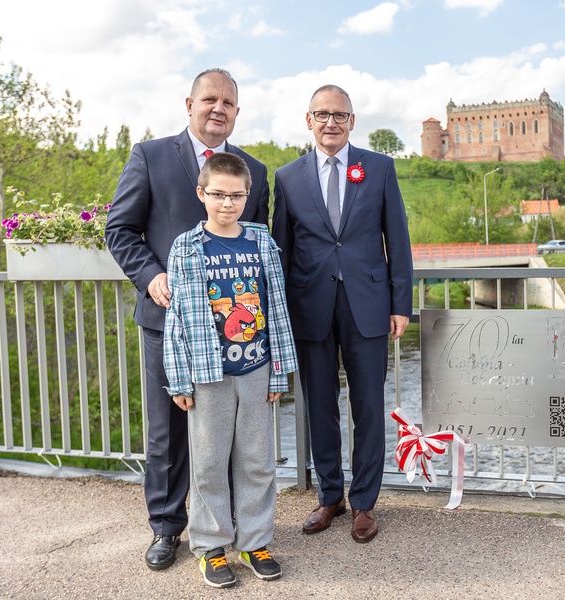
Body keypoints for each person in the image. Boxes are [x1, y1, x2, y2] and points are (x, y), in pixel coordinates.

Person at [105, 68, 270, 571]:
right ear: (189, 104)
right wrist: (151, 276)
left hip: (235, 333)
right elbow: (121, 229)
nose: (218, 108)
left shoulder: (254, 172)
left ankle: (237, 530)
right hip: (167, 322)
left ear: (237, 113)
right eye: (209, 100)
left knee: (238, 437)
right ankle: (166, 527)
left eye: (228, 102)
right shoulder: (151, 156)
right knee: (169, 433)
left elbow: (257, 243)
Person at [271, 84, 413, 543]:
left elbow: (398, 239)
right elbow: (282, 250)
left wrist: (400, 304)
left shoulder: (379, 168)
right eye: (322, 114)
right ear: (307, 120)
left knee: (368, 406)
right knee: (319, 404)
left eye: (339, 114)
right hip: (310, 307)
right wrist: (284, 313)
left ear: (352, 121)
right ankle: (329, 495)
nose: (330, 122)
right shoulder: (288, 177)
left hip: (369, 306)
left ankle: (365, 502)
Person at [164, 153, 297, 588]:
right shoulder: (186, 246)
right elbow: (177, 317)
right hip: (207, 374)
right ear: (202, 194)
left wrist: (279, 371)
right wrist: (179, 378)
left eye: (236, 195)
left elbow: (276, 308)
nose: (227, 203)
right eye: (218, 194)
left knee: (257, 461)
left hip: (256, 368)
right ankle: (211, 546)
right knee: (208, 463)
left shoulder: (261, 242)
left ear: (249, 195)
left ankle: (255, 540)